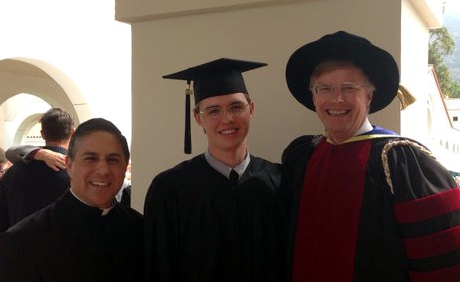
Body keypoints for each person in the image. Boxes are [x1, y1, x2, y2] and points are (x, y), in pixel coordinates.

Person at [282, 31, 460, 282]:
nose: (337, 98)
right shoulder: (302, 156)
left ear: (369, 95)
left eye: (349, 87)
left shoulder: (401, 161)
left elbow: (441, 257)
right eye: (325, 88)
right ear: (313, 96)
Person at [144, 58, 288, 282]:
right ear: (198, 119)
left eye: (236, 106)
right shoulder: (170, 189)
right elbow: (159, 268)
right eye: (213, 111)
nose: (227, 119)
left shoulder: (278, 181)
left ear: (251, 108)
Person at [0, 118, 143, 282]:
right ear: (69, 165)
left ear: (125, 167)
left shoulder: (139, 228)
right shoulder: (22, 241)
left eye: (113, 160)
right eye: (90, 158)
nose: (103, 170)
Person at [0, 108, 74, 232]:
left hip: (19, 246)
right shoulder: (77, 172)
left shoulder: (12, 173)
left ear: (42, 133)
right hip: (65, 248)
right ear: (72, 133)